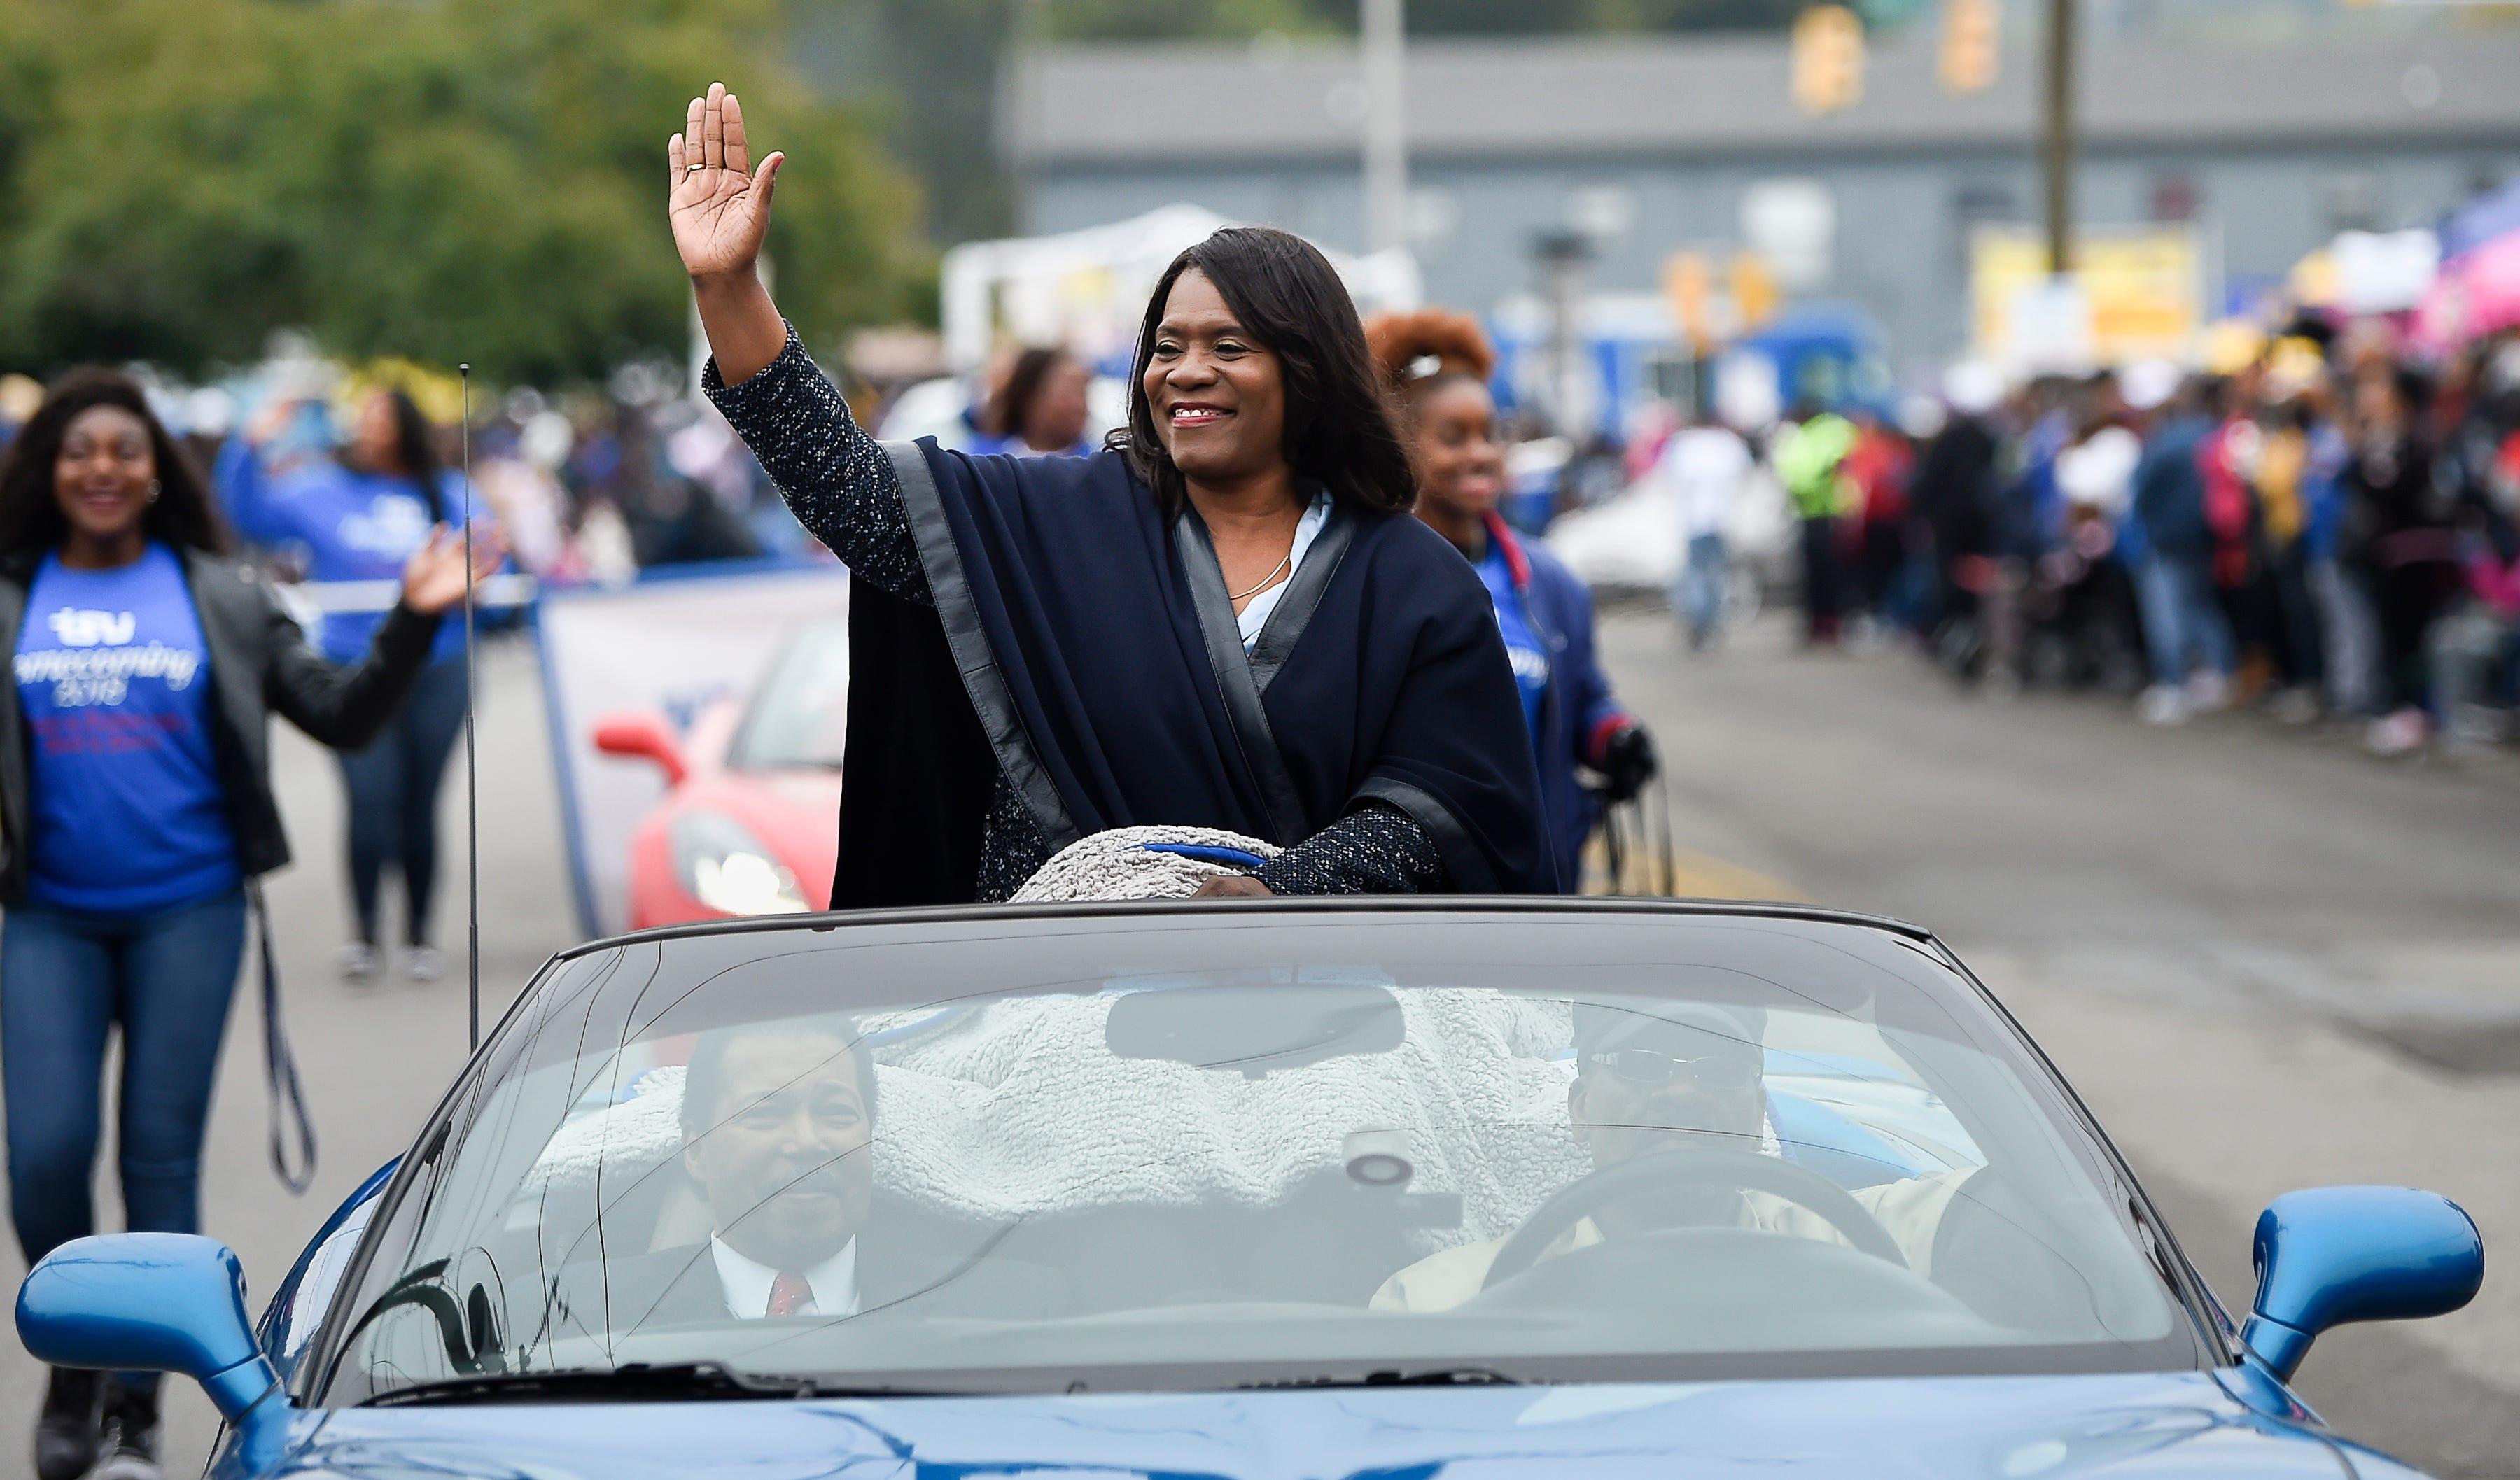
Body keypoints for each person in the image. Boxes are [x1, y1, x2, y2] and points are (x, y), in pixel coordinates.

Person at [668, 85, 1553, 903]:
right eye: (1167, 347)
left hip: (1326, 1021)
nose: (1188, 373)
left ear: (1310, 373)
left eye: (1230, 347)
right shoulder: (1053, 524)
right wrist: (730, 288)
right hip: (1044, 1020)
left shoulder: (1416, 585)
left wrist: (1282, 896)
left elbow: (1446, 807)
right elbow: (853, 495)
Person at [0, 371, 496, 1480]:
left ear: (156, 469)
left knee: (158, 1159)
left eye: (126, 449)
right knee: (44, 1157)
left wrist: (417, 620)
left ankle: (133, 1408)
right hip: (43, 919)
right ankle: (80, 1354)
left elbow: (342, 711)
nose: (103, 468)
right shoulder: (9, 591)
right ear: (47, 467)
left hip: (191, 909)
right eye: (79, 449)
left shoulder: (221, 591)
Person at [1371, 999, 1972, 1311]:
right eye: (1641, 1063)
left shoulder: (1865, 1244)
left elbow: (2033, 1194)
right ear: (1579, 1108)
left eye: (1720, 1066)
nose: (1683, 1091)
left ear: (1757, 1108)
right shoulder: (1444, 1303)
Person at [1364, 309, 1653, 891]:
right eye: (1453, 437)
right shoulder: (1366, 577)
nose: (1480, 454)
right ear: (1402, 446)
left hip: (1537, 884)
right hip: (1417, 896)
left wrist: (1612, 734)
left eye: (1490, 433)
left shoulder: (1551, 583)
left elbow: (1583, 695)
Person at [215, 387, 481, 981]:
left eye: (380, 416)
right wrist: (249, 443)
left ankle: (419, 936)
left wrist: (480, 582)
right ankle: (364, 933)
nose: (365, 426)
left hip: (439, 668)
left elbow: (494, 561)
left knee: (420, 805)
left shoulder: (450, 492)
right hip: (351, 668)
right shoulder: (319, 489)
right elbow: (242, 512)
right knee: (370, 802)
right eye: (362, 415)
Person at [2129, 379, 2237, 726]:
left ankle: (2174, 683)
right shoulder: (2211, 433)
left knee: (2168, 613)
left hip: (2168, 539)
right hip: (2205, 536)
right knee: (2201, 605)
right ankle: (2221, 673)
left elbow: (2141, 491)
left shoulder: (2165, 441)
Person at [1657, 406, 1753, 651]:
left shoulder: (1684, 445)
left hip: (1694, 519)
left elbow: (1670, 477)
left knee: (1696, 575)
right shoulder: (1727, 444)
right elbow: (1745, 474)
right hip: (1722, 518)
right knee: (1717, 575)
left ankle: (1699, 624)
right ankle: (1712, 624)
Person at [1772, 403, 1856, 646]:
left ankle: (1826, 623)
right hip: (1817, 515)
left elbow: (1806, 475)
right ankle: (1822, 623)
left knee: (1825, 574)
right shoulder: (1817, 434)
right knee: (1819, 574)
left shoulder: (1822, 434)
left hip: (1826, 515)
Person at [972, 346, 1097, 458]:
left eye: (1083, 393)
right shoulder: (983, 464)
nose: (1079, 406)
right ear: (1029, 397)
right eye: (1068, 394)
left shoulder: (1098, 467)